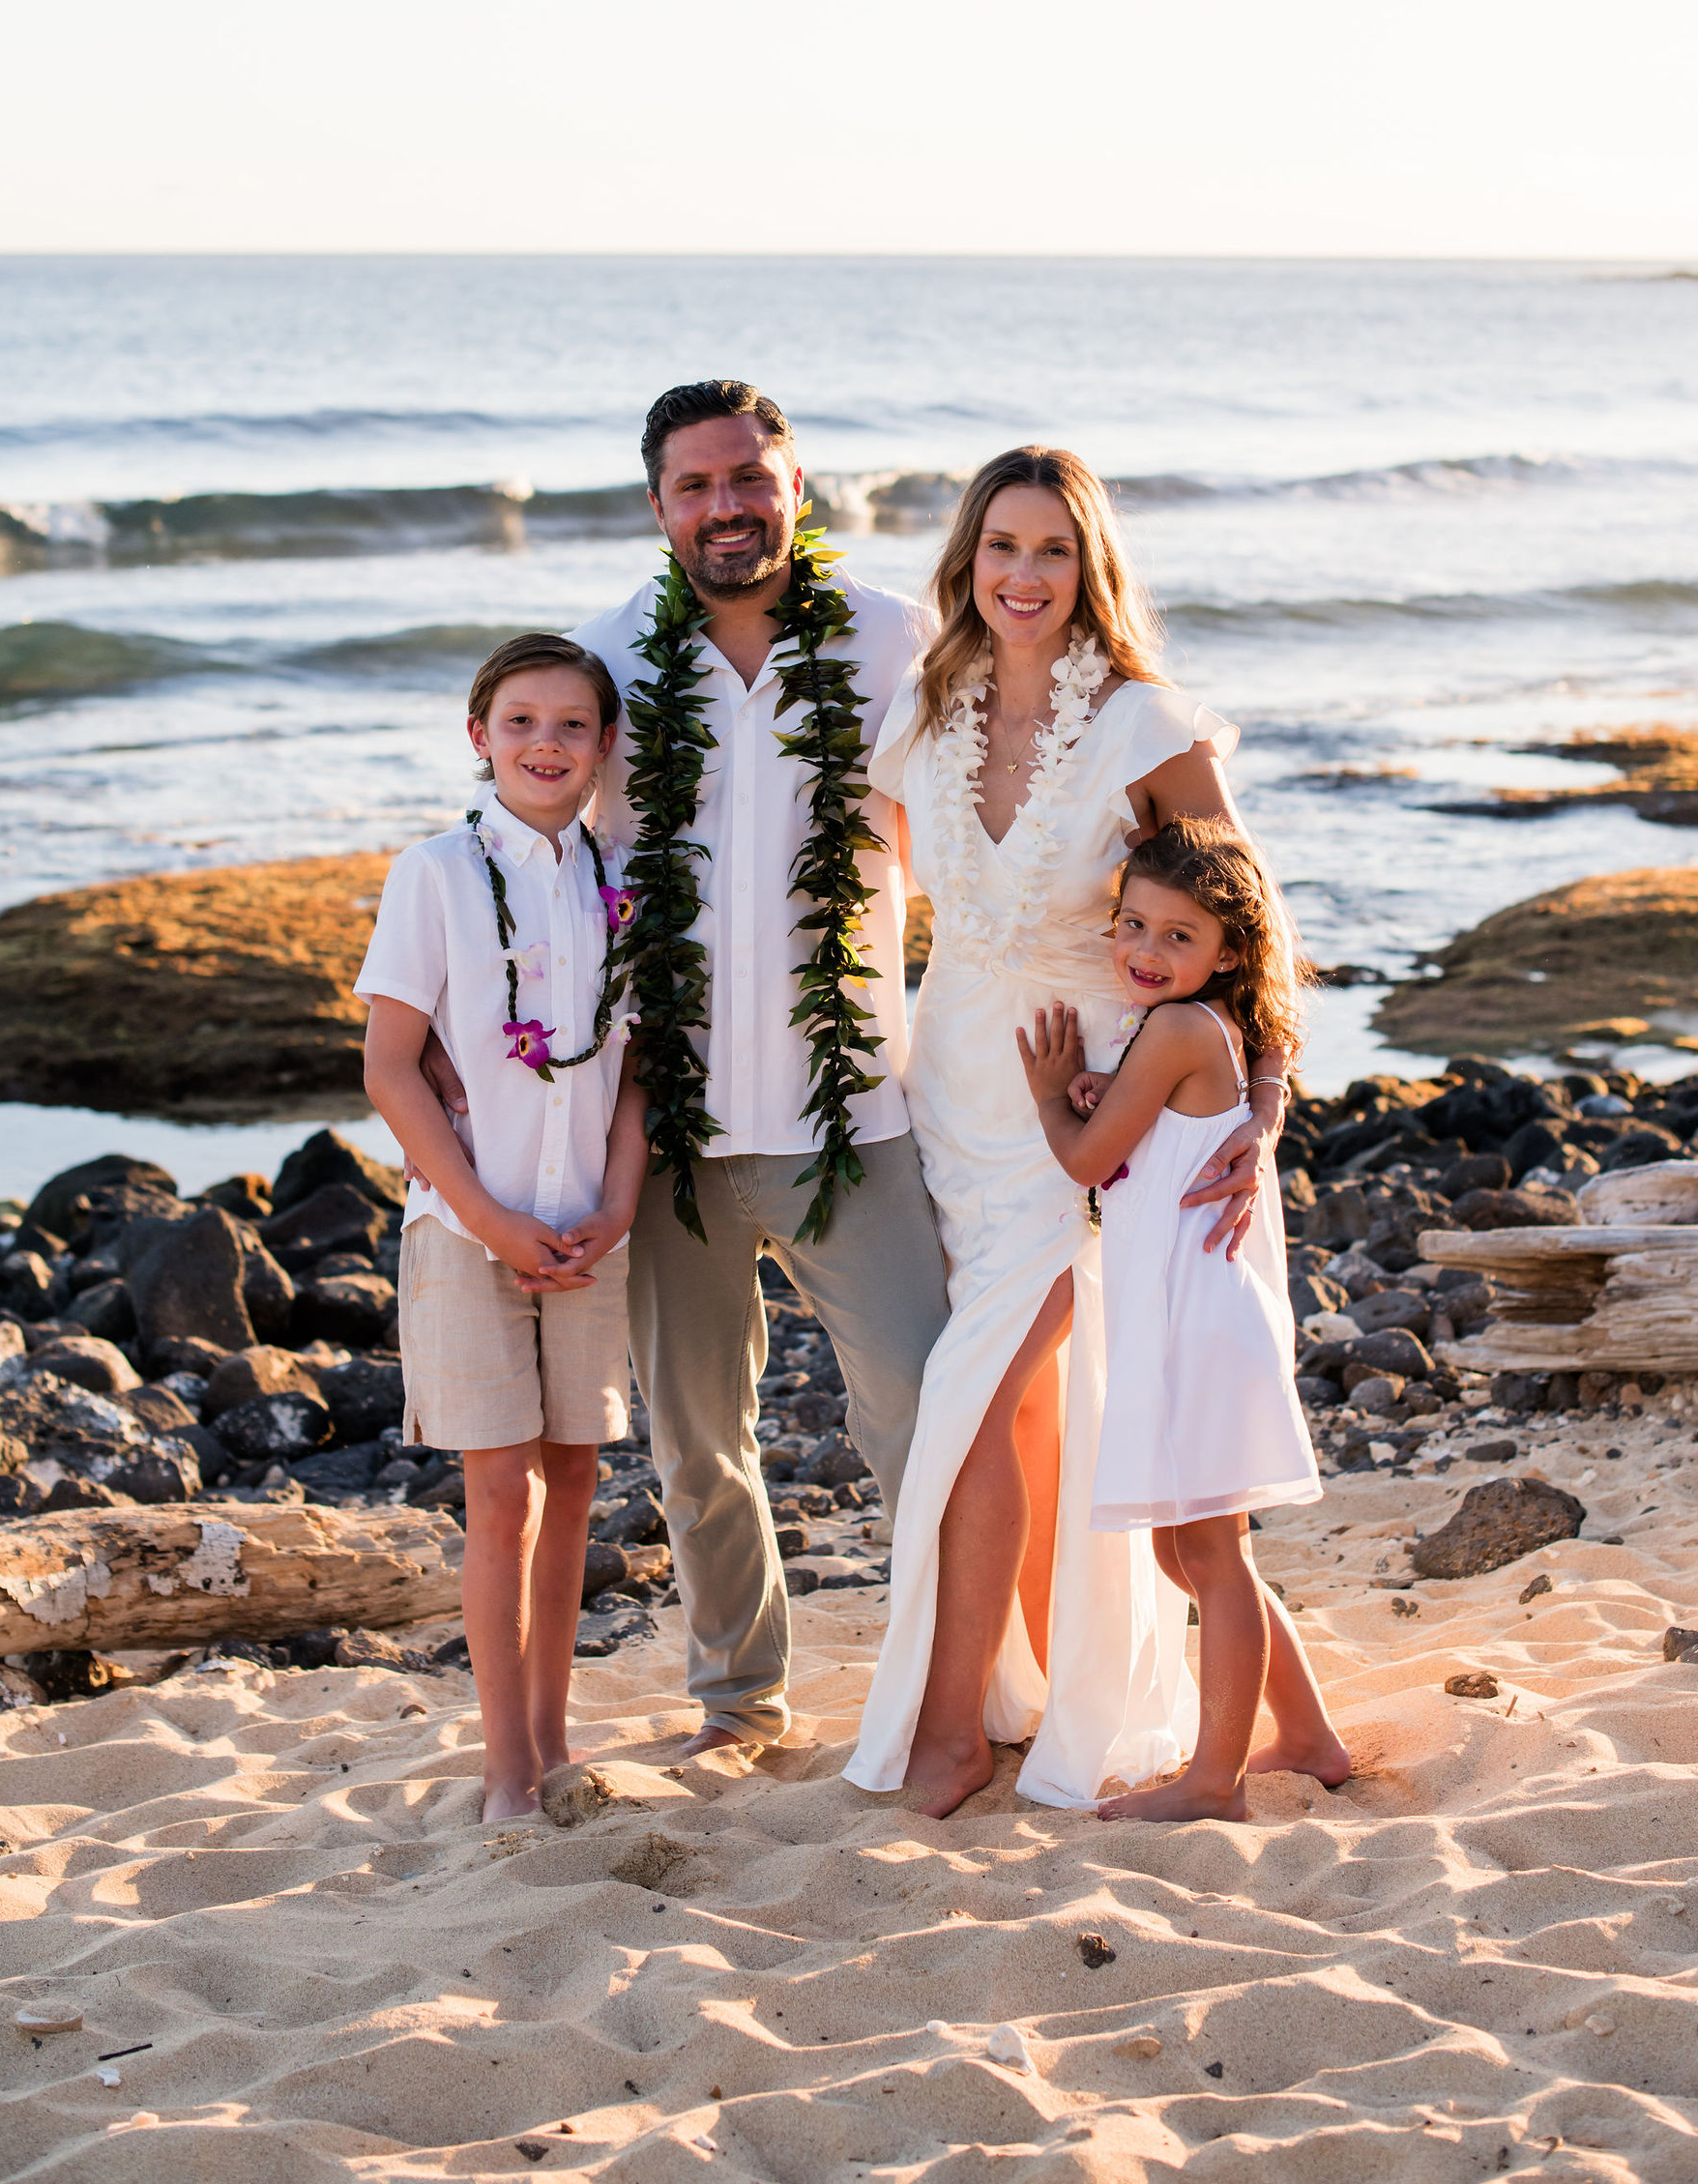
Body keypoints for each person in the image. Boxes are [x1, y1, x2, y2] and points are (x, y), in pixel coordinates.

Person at [844, 445, 1296, 1819]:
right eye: (1001, 547)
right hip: (952, 1092)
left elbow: (1250, 917)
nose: (1023, 575)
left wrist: (1263, 1100)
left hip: (1089, 1102)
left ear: (1088, 567)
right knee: (1031, 1405)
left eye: (1051, 549)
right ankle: (1043, 1692)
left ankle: (949, 1731)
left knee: (976, 1395)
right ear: (966, 562)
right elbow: (879, 886)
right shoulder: (927, 710)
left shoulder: (1142, 722)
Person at [564, 379, 954, 1759]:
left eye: (748, 477)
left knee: (919, 1409)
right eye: (696, 485)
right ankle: (739, 1702)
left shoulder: (894, 639)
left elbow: (970, 843)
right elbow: (552, 872)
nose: (726, 506)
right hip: (666, 1127)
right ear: (657, 505)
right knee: (695, 1444)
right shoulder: (606, 658)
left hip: (855, 1110)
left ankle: (948, 1687)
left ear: (796, 485)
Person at [360, 631, 647, 1822]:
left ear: (605, 744)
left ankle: (552, 1737)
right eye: (520, 722)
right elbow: (390, 1067)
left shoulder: (621, 885)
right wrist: (485, 1216)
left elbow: (635, 1075)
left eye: (572, 724)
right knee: (500, 1495)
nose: (546, 743)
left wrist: (617, 1204)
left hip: (587, 1229)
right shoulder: (433, 875)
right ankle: (504, 1769)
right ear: (478, 736)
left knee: (573, 1481)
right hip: (464, 1225)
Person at [1017, 817, 1348, 1822]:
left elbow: (1086, 1161)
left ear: (1229, 953)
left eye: (1177, 936)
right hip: (1188, 1313)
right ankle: (1309, 1739)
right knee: (1187, 1551)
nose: (1145, 950)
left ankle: (1214, 1781)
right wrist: (1104, 1089)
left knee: (1209, 1555)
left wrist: (1051, 1094)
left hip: (1191, 1323)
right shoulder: (1195, 1029)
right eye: (1132, 924)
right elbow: (1146, 1131)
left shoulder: (1174, 1033)